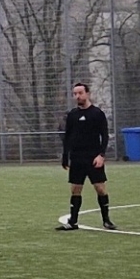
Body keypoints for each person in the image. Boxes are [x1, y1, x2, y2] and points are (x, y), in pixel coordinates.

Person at [58, 83, 115, 231]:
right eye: (75, 94)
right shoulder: (72, 115)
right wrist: (65, 156)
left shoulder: (97, 113)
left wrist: (101, 155)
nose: (77, 96)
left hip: (93, 157)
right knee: (75, 189)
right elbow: (67, 137)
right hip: (77, 158)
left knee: (100, 188)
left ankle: (106, 220)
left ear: (87, 94)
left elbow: (105, 136)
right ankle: (73, 221)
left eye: (80, 93)